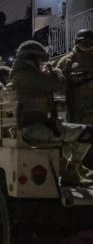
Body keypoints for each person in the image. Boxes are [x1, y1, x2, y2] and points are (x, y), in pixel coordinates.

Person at [7, 40, 92, 185]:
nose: (41, 62)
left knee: (68, 134)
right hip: (35, 130)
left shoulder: (20, 74)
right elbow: (60, 85)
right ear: (33, 58)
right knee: (88, 133)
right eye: (40, 59)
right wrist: (56, 71)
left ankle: (75, 171)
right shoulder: (26, 75)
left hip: (35, 126)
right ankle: (71, 173)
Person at [57, 29, 93, 124]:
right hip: (75, 102)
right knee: (77, 132)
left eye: (89, 42)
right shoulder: (66, 61)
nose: (86, 45)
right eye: (83, 42)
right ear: (77, 42)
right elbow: (57, 82)